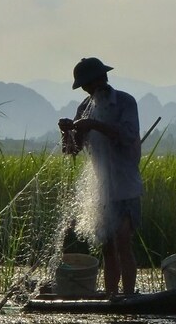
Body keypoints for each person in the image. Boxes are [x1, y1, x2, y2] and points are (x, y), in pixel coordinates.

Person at [58, 57, 143, 296]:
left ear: (101, 80)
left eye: (89, 84)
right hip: (101, 189)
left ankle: (127, 295)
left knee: (123, 241)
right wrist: (66, 131)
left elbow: (127, 135)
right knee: (107, 247)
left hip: (126, 186)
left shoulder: (125, 103)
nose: (88, 89)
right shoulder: (84, 108)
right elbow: (71, 150)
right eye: (84, 86)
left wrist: (93, 125)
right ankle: (111, 296)